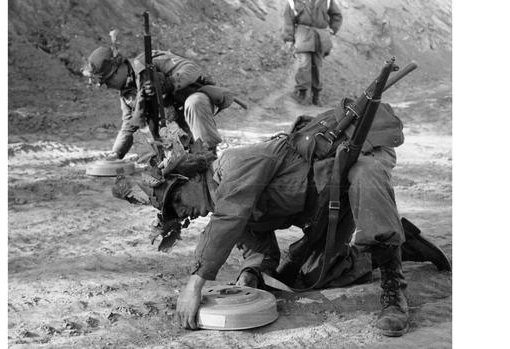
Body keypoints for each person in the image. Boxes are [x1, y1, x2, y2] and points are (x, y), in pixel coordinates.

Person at [122, 101, 451, 337]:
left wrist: (196, 283)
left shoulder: (232, 167)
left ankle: (393, 287)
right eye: (177, 216)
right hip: (328, 208)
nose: (184, 214)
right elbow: (261, 252)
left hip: (355, 160)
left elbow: (230, 217)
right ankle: (404, 244)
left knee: (367, 177)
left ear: (189, 178)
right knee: (309, 275)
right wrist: (251, 276)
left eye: (177, 201)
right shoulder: (227, 207)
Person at [82, 46, 234, 159]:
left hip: (191, 109)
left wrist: (169, 82)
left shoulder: (150, 61)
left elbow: (192, 69)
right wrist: (116, 153)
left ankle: (208, 154)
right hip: (173, 131)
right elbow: (128, 125)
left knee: (195, 102)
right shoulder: (127, 94)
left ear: (118, 69)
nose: (107, 86)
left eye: (107, 80)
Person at [283, 0, 343, 106]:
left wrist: (333, 30)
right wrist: (289, 38)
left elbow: (337, 15)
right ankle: (302, 93)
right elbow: (288, 20)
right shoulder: (294, 1)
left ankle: (316, 95)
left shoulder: (327, 1)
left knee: (317, 65)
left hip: (320, 37)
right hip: (303, 35)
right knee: (304, 65)